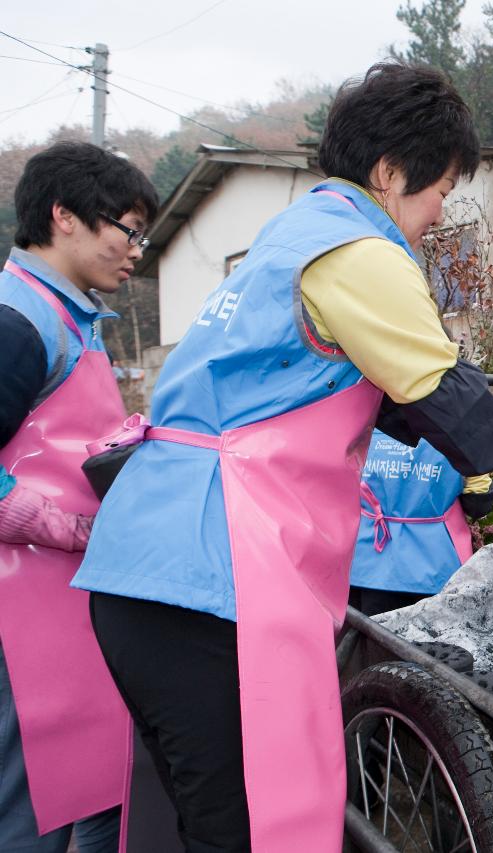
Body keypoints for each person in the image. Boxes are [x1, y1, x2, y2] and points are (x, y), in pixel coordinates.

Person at [71, 62, 493, 853]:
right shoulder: (360, 249)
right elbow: (455, 405)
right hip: (214, 577)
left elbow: (382, 400)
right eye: (441, 190)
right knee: (247, 829)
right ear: (389, 173)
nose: (437, 214)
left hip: (140, 573)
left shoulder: (287, 238)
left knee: (199, 815)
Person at [0, 141, 158, 853]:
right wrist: (57, 522)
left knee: (88, 791)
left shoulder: (73, 317)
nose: (136, 252)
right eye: (126, 230)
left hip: (67, 600)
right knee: (27, 807)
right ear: (63, 216)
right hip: (20, 612)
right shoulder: (19, 322)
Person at [348, 430, 493, 616]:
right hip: (433, 564)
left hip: (365, 561)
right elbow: (479, 502)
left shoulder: (366, 429)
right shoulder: (460, 439)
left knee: (359, 635)